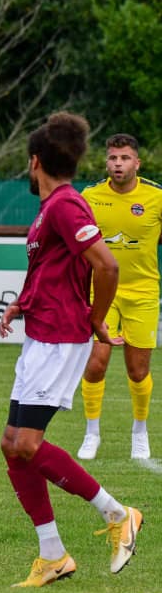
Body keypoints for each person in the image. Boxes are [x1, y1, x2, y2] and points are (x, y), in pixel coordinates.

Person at [0, 112, 143, 587]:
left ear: (35, 161)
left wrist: (96, 319)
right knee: (12, 446)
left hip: (61, 337)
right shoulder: (53, 208)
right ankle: (53, 555)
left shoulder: (65, 205)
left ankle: (118, 513)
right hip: (42, 333)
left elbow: (106, 266)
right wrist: (23, 301)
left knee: (26, 444)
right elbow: (53, 269)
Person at [78, 134, 162, 460]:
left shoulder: (156, 197)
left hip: (143, 292)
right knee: (95, 364)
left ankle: (140, 431)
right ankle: (91, 433)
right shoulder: (90, 197)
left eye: (125, 158)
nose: (118, 164)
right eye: (113, 158)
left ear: (136, 163)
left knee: (137, 370)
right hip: (101, 292)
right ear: (106, 162)